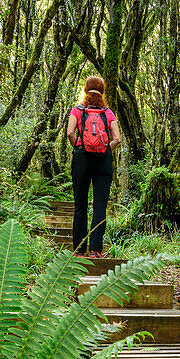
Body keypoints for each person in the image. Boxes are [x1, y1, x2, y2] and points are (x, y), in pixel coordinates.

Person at [65, 76, 122, 257]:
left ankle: (79, 251)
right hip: (103, 160)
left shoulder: (77, 110)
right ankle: (95, 250)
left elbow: (69, 133)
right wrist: (105, 150)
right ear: (102, 90)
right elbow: (117, 139)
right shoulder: (108, 113)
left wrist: (78, 147)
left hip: (81, 158)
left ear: (85, 89)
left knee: (80, 206)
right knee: (100, 206)